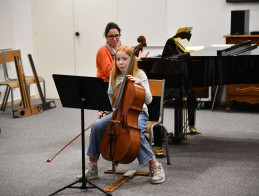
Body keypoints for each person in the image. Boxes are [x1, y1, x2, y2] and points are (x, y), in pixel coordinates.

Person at [77, 45, 165, 184]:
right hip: (118, 113)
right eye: (118, 59)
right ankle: (92, 166)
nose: (121, 62)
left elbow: (148, 100)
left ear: (132, 60)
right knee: (97, 126)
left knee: (135, 132)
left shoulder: (140, 75)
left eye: (124, 59)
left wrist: (140, 84)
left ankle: (155, 166)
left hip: (139, 113)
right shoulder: (114, 75)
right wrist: (105, 110)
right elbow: (110, 97)